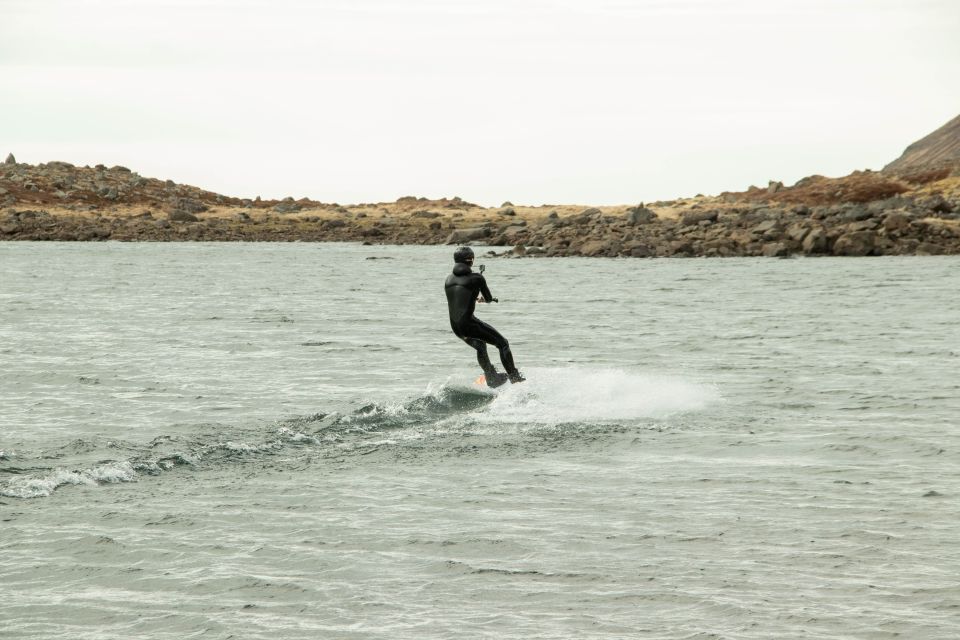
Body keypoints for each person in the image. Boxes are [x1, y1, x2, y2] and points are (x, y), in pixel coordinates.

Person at [444, 246, 524, 387]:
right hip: (468, 324)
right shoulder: (477, 278)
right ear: (470, 260)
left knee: (480, 346)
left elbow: (460, 298)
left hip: (456, 327)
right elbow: (488, 298)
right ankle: (514, 377)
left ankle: (491, 375)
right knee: (503, 344)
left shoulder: (448, 279)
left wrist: (474, 296)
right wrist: (483, 297)